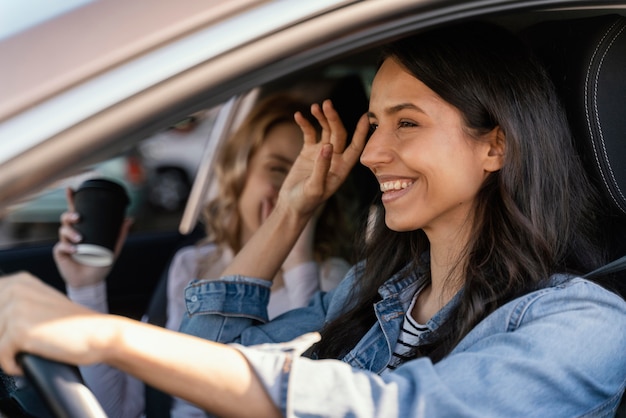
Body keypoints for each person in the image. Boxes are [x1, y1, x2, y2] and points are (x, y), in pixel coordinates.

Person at [0, 21, 625, 418]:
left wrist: (106, 334)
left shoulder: (588, 323)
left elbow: (401, 411)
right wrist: (292, 210)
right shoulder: (373, 294)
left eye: (407, 122)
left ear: (497, 144)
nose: (374, 152)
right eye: (374, 124)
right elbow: (200, 370)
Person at [51, 94, 358, 417]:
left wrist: (298, 257)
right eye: (278, 169)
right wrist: (86, 287)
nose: (291, 188)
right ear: (239, 173)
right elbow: (119, 409)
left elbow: (304, 384)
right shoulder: (194, 264)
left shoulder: (331, 279)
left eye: (310, 174)